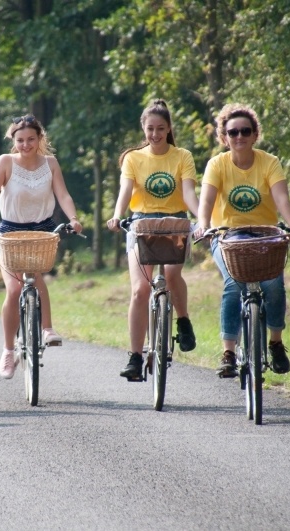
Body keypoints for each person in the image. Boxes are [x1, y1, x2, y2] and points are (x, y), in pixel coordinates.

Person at [194, 103, 290, 377]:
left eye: (246, 131)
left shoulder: (269, 162)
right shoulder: (217, 165)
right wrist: (202, 226)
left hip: (265, 236)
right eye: (233, 132)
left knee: (275, 286)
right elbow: (206, 202)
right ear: (224, 137)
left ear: (255, 134)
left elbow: (281, 199)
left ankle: (276, 343)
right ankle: (229, 352)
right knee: (233, 285)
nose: (239, 137)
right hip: (227, 237)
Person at [0, 114, 82, 379]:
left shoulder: (50, 164)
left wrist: (74, 219)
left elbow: (63, 194)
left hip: (42, 228)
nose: (25, 144)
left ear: (39, 138)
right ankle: (8, 350)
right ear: (13, 140)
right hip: (10, 230)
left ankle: (47, 329)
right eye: (20, 140)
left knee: (37, 277)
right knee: (14, 288)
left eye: (31, 139)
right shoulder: (6, 162)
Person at [106, 99, 200, 380]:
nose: (155, 134)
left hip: (174, 221)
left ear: (169, 128)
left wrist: (202, 220)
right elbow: (125, 190)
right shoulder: (134, 158)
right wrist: (116, 215)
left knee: (171, 277)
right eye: (150, 129)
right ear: (143, 129)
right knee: (139, 290)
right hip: (141, 222)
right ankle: (135, 356)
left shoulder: (182, 156)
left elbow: (189, 195)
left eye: (161, 128)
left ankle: (183, 320)